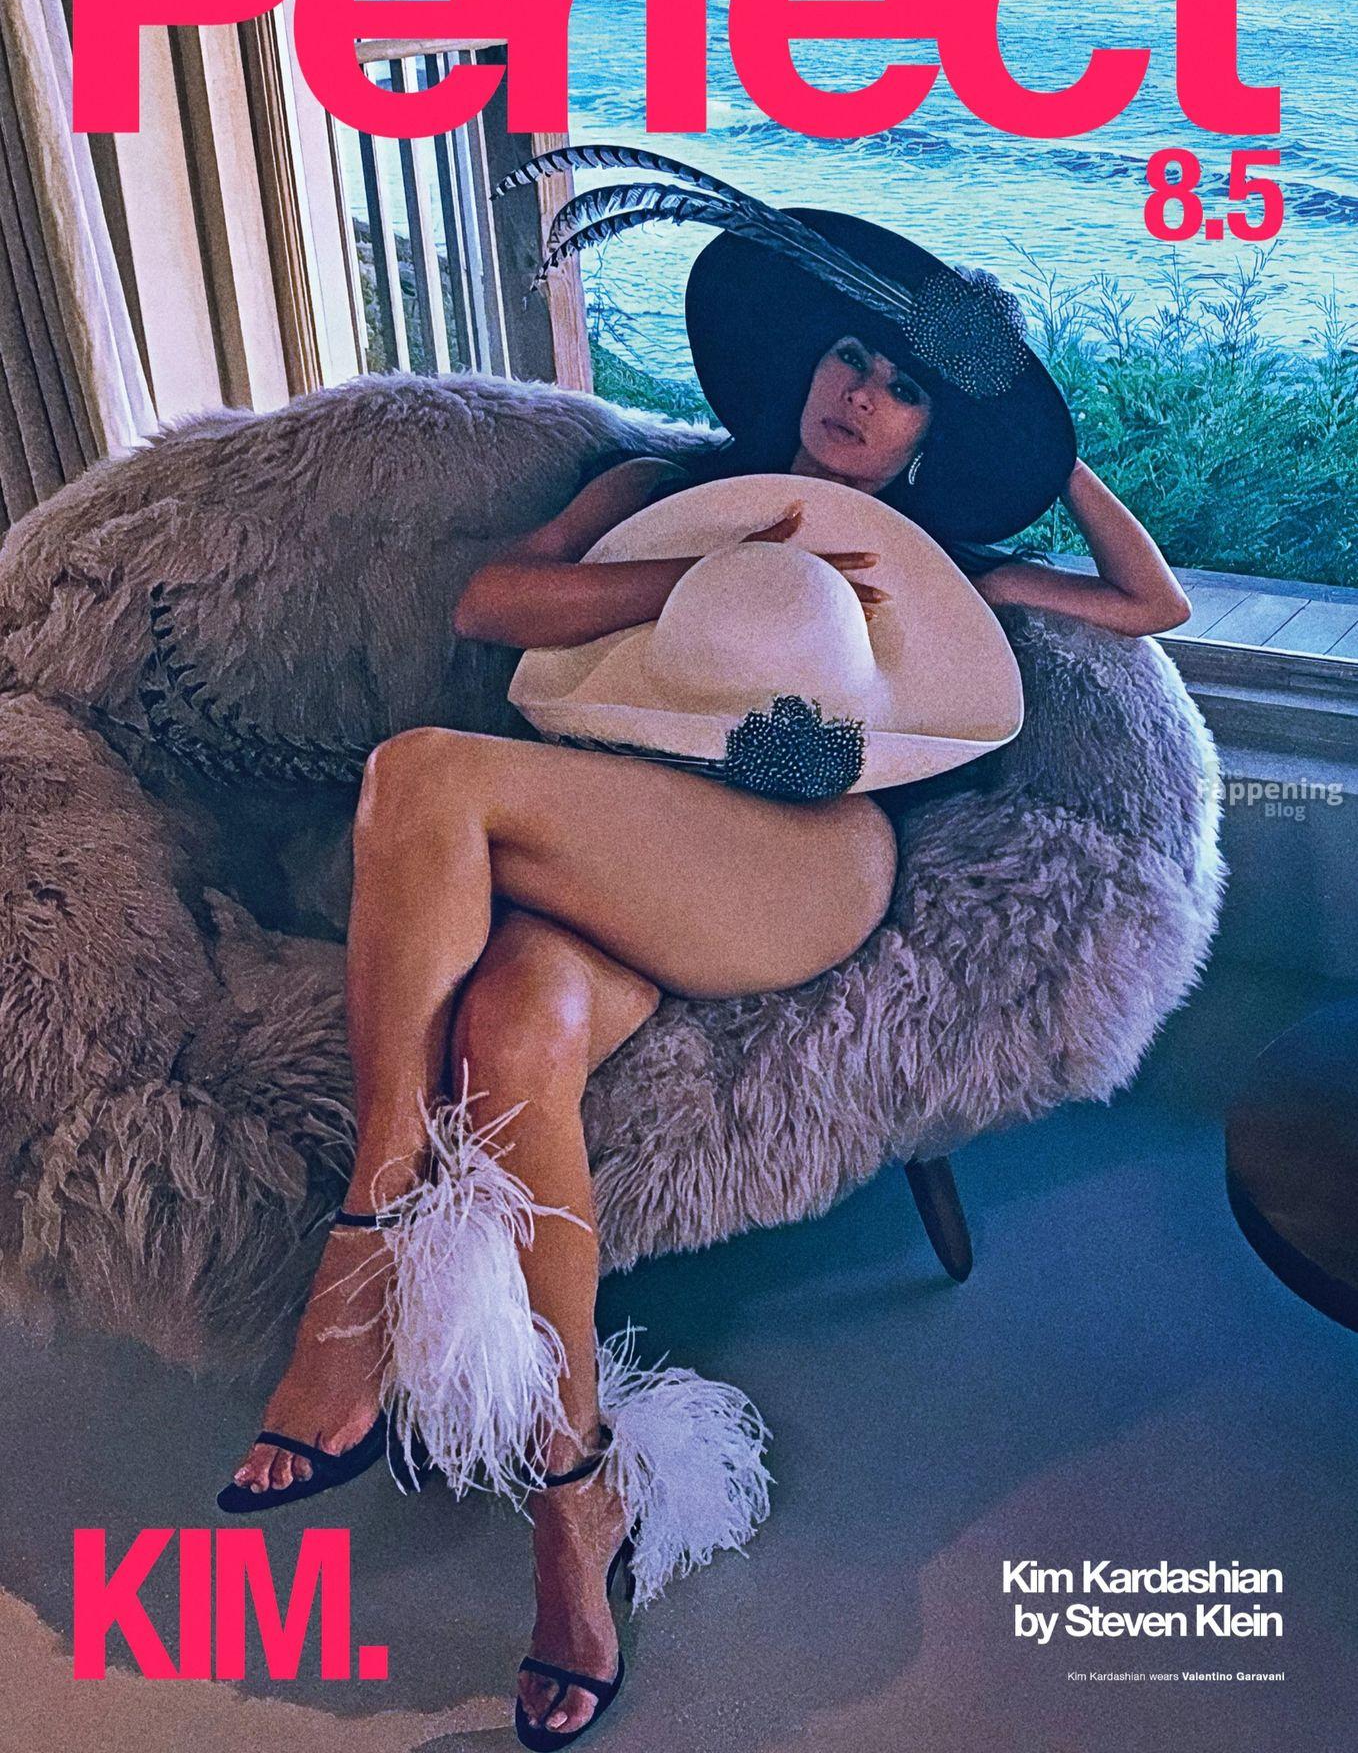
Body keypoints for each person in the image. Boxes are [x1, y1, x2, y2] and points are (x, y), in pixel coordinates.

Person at [217, 151, 1190, 1748]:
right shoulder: (661, 481)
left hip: (789, 864)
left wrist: (1037, 437)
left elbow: (1146, 607)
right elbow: (494, 603)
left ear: (931, 433)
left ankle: (368, 1235)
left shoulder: (935, 561)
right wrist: (708, 574)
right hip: (598, 838)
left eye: (904, 389)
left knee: (423, 773)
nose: (862, 395)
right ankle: (572, 1496)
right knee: (509, 1041)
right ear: (806, 364)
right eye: (851, 358)